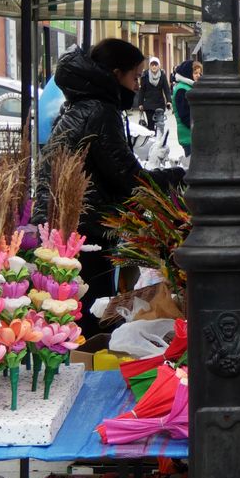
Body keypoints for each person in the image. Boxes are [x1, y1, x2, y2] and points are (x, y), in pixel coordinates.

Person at [34, 40, 185, 336]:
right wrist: (179, 176)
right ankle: (90, 366)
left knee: (73, 311)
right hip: (82, 230)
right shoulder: (100, 110)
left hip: (68, 225)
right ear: (117, 74)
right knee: (89, 312)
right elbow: (129, 179)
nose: (137, 84)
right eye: (135, 76)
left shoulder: (84, 103)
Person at [172, 60, 201, 158]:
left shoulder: (190, 87)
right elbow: (185, 116)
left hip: (193, 136)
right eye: (195, 73)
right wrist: (199, 127)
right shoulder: (182, 89)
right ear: (188, 73)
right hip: (189, 137)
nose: (198, 75)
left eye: (199, 73)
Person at [136, 56, 170, 131]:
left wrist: (168, 101)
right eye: (152, 64)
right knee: (151, 126)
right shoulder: (145, 75)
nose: (154, 66)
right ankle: (152, 141)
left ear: (159, 65)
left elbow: (166, 89)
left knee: (159, 125)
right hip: (149, 105)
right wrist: (140, 103)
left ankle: (159, 141)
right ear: (150, 66)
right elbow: (142, 90)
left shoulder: (162, 75)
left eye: (156, 64)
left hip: (159, 104)